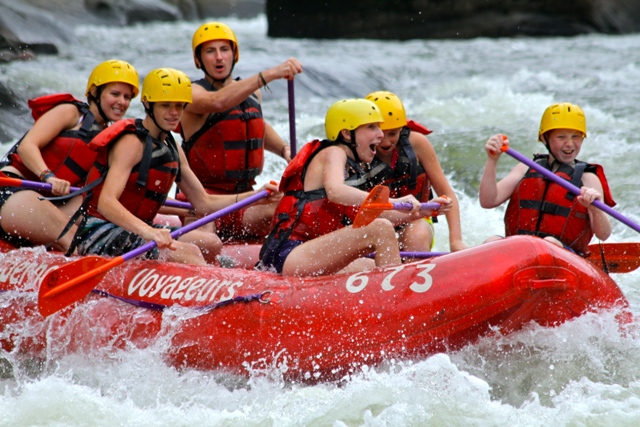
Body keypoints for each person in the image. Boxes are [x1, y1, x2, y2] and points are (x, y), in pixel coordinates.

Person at [71, 68, 280, 266]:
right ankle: (208, 295)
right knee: (190, 252)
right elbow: (106, 203)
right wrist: (149, 232)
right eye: (166, 105)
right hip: (99, 231)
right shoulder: (132, 142)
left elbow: (204, 203)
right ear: (148, 104)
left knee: (211, 243)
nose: (174, 113)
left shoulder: (172, 146)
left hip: (139, 229)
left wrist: (257, 197)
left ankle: (200, 275)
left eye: (179, 106)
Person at [258, 98, 452, 277]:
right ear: (346, 133)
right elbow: (335, 192)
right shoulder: (333, 152)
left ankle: (395, 292)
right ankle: (397, 298)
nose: (380, 134)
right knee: (380, 229)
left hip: (310, 252)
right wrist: (392, 201)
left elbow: (371, 213)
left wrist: (425, 209)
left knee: (370, 266)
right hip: (289, 254)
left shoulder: (352, 170)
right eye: (371, 127)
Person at [178, 21, 303, 242]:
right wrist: (270, 74)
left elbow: (256, 127)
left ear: (234, 55)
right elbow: (216, 102)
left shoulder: (252, 96)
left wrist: (285, 149)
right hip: (201, 202)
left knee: (292, 209)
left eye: (224, 49)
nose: (219, 57)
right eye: (210, 51)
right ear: (198, 60)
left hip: (247, 199)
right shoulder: (191, 93)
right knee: (206, 243)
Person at [0, 59, 139, 251]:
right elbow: (27, 146)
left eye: (127, 97)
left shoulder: (111, 140)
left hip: (51, 203)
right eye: (115, 94)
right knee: (74, 241)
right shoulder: (71, 112)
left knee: (90, 208)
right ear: (95, 92)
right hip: (12, 190)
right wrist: (48, 176)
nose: (122, 102)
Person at [479, 102, 615, 256]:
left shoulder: (588, 179)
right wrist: (492, 160)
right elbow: (488, 201)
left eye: (576, 136)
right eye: (561, 137)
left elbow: (603, 234)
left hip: (565, 257)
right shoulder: (526, 168)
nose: (569, 143)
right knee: (491, 241)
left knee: (549, 243)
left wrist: (594, 208)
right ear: (545, 139)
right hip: (519, 253)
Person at [365, 91, 467, 253]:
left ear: (402, 128)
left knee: (417, 235)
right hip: (376, 224)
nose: (385, 141)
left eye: (393, 134)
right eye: (380, 134)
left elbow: (447, 193)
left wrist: (456, 241)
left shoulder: (417, 143)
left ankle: (415, 275)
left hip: (417, 219)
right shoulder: (357, 152)